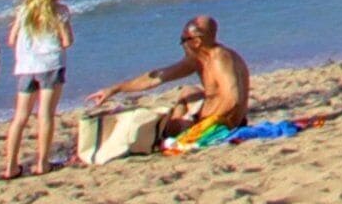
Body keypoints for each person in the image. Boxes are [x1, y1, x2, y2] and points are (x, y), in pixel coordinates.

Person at [93, 14, 251, 144]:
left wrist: (203, 126)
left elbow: (232, 99)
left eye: (183, 40)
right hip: (211, 114)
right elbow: (157, 77)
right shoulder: (199, 59)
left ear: (196, 41)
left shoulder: (220, 59)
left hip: (222, 122)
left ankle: (174, 129)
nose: (181, 44)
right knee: (187, 91)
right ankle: (177, 125)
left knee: (159, 126)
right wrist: (115, 89)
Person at [0, 0, 82, 180]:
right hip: (50, 65)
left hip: (26, 66)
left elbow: (11, 40)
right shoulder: (60, 11)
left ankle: (10, 166)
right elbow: (67, 41)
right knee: (45, 115)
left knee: (20, 117)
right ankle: (42, 162)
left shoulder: (25, 8)